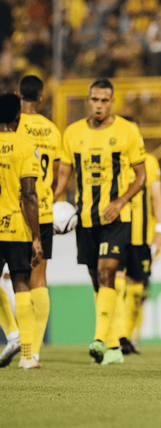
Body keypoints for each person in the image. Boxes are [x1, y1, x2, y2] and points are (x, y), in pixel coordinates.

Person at [54, 78, 147, 365]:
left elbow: (141, 176)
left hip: (117, 218)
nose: (99, 105)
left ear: (112, 102)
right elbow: (63, 176)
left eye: (104, 100)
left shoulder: (127, 131)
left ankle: (98, 339)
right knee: (97, 279)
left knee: (108, 273)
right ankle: (113, 346)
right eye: (95, 100)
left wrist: (120, 202)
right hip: (85, 218)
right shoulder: (72, 133)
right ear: (88, 100)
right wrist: (50, 203)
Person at [115, 118, 161, 354]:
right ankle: (118, 336)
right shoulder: (112, 160)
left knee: (137, 288)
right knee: (116, 283)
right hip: (116, 232)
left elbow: (157, 197)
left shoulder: (149, 161)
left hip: (141, 236)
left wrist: (159, 230)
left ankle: (129, 336)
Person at [0, 93, 43, 369]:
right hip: (16, 225)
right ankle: (27, 355)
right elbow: (29, 195)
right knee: (21, 283)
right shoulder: (26, 145)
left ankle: (12, 334)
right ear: (18, 118)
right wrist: (37, 236)